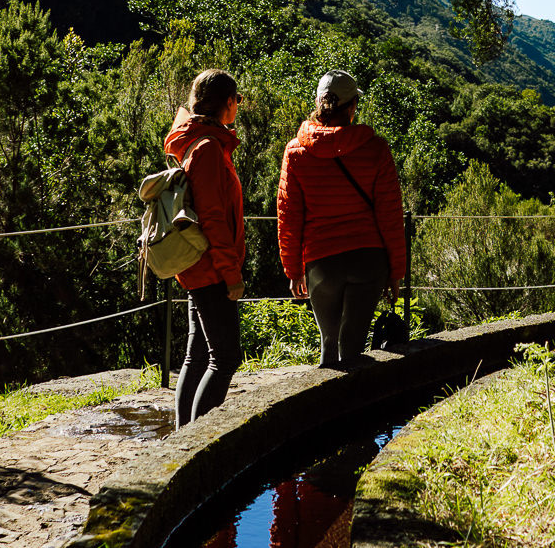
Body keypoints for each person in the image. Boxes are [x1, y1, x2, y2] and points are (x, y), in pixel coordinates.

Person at [276, 70, 407, 369]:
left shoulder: (296, 151)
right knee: (353, 347)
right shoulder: (375, 148)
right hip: (368, 260)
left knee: (328, 344)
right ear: (352, 107)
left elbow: (289, 215)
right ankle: (356, 410)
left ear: (319, 103)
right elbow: (390, 214)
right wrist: (396, 271)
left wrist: (293, 269)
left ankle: (326, 408)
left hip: (321, 262)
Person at [164, 69, 246, 424]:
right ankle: (196, 445)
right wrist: (232, 274)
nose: (238, 106)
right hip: (211, 267)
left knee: (197, 356)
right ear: (228, 103)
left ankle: (184, 437)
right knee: (226, 358)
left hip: (196, 265)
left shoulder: (197, 142)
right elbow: (213, 218)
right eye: (237, 100)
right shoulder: (210, 148)